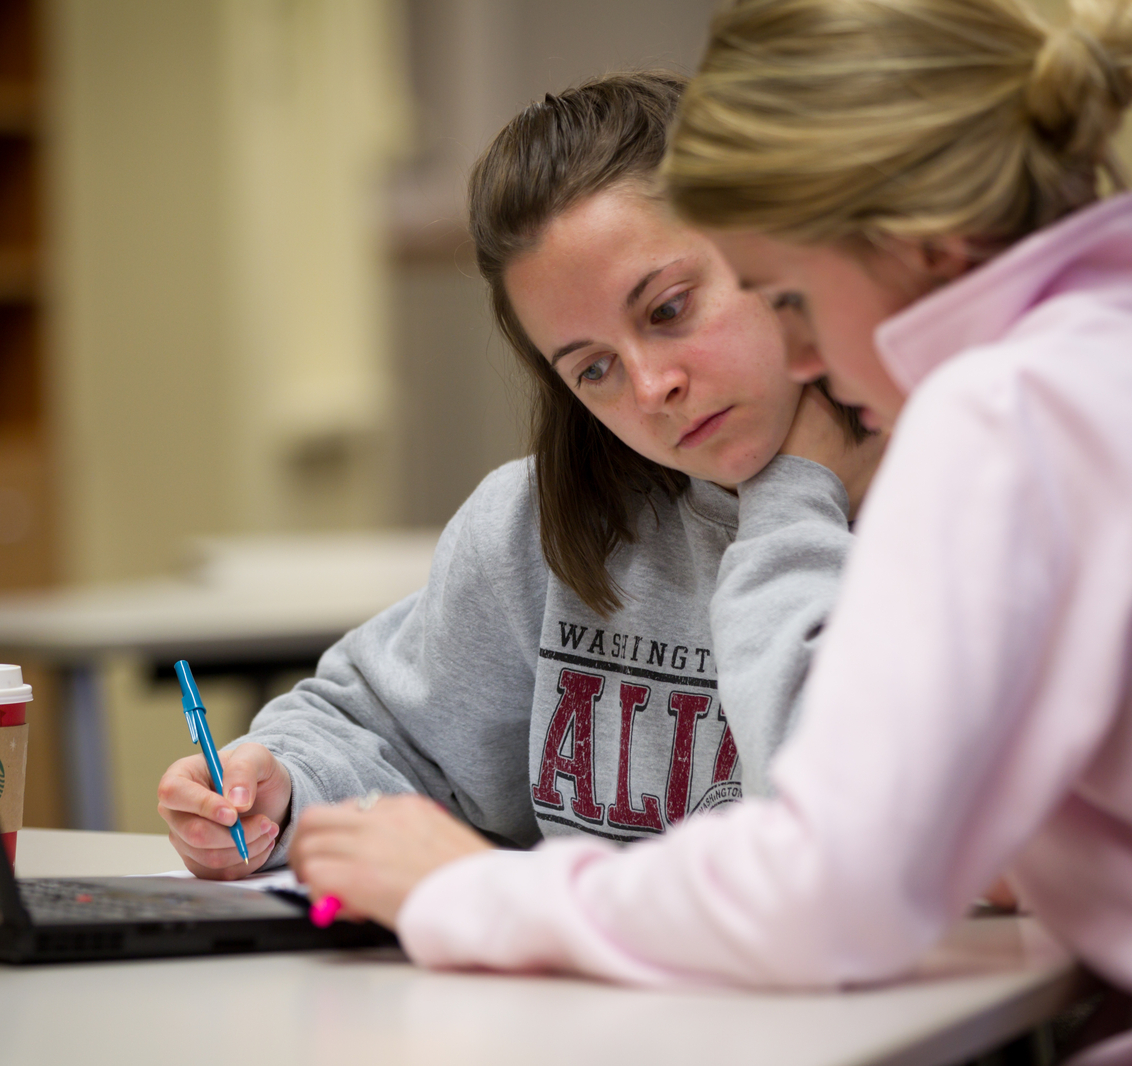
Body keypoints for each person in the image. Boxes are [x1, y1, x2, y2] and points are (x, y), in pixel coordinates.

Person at [287, 0, 1132, 1061]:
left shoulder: (1005, 412)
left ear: (908, 238)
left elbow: (841, 890)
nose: (798, 352)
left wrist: (476, 892)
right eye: (594, 367)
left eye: (784, 293)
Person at [157, 72, 883, 877]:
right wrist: (287, 788)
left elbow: (865, 821)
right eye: (594, 369)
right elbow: (390, 736)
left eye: (669, 309)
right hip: (594, 995)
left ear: (773, 246)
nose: (651, 389)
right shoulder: (541, 525)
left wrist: (789, 497)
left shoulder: (969, 492)